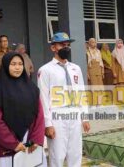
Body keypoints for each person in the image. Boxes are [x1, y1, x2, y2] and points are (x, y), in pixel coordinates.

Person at [38, 32, 90, 167]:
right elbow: (43, 98)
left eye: (68, 45)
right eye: (62, 45)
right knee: (57, 154)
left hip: (74, 113)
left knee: (75, 153)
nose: (66, 48)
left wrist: (84, 117)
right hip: (57, 115)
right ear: (53, 48)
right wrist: (48, 123)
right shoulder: (45, 70)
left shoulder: (75, 68)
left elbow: (81, 93)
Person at [0, 52, 45, 167]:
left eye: (20, 64)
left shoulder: (32, 88)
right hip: (7, 147)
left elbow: (39, 115)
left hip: (31, 144)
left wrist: (36, 139)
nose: (17, 67)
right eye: (13, 64)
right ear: (5, 65)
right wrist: (13, 144)